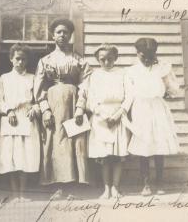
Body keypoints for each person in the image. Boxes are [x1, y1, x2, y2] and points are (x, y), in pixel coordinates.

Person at [34, 18, 92, 196]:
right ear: (53, 35)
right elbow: (39, 87)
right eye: (58, 32)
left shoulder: (78, 60)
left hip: (74, 102)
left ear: (70, 35)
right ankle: (57, 184)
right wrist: (45, 109)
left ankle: (75, 185)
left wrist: (81, 107)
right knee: (56, 141)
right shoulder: (45, 60)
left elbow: (86, 83)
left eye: (65, 32)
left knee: (75, 140)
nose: (62, 35)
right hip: (53, 102)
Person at [74, 43, 133, 199]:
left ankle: (115, 188)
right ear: (98, 60)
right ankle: (106, 188)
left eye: (110, 59)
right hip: (101, 118)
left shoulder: (123, 74)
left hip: (118, 116)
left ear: (115, 58)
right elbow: (89, 99)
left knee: (118, 155)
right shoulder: (94, 76)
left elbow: (129, 96)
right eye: (103, 59)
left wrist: (118, 114)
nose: (106, 62)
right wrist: (100, 113)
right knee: (105, 156)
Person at [126, 37, 180, 196]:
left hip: (157, 108)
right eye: (143, 56)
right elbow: (129, 94)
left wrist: (167, 90)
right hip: (141, 109)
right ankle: (146, 183)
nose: (147, 59)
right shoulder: (132, 71)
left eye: (150, 55)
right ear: (137, 54)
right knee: (144, 146)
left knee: (159, 146)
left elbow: (173, 88)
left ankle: (160, 182)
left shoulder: (162, 68)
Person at [0, 43, 41, 202]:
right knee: (11, 158)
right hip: (10, 119)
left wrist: (34, 109)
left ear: (27, 60)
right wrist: (8, 111)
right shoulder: (4, 78)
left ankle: (23, 194)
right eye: (17, 59)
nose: (20, 62)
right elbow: (0, 100)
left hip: (26, 119)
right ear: (11, 59)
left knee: (25, 157)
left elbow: (38, 100)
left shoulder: (33, 78)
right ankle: (14, 194)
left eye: (23, 59)